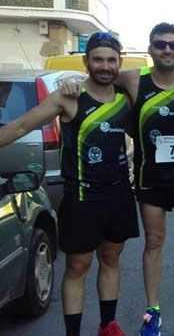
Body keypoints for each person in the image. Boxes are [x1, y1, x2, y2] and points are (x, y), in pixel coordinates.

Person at [61, 23, 174, 336]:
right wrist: (70, 80)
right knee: (154, 242)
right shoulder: (132, 78)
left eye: (173, 44)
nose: (167, 50)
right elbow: (96, 79)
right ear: (150, 48)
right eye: (160, 44)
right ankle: (152, 310)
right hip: (151, 177)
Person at [0, 32, 139, 336]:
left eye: (111, 60)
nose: (105, 66)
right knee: (77, 267)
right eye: (98, 59)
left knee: (111, 260)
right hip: (82, 198)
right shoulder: (69, 96)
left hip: (118, 194)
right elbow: (22, 125)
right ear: (86, 62)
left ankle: (108, 326)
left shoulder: (125, 98)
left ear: (119, 63)